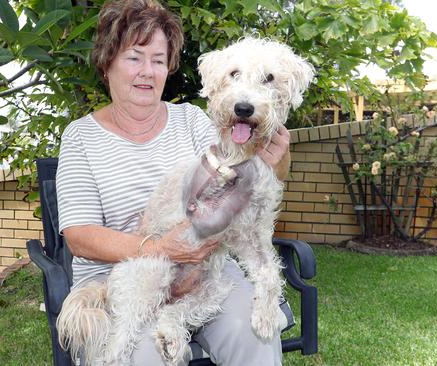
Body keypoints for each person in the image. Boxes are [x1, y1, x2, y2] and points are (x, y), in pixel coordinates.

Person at [56, 0, 291, 364]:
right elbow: (79, 236)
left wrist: (278, 158)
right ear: (107, 64)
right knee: (141, 355)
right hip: (121, 277)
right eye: (134, 57)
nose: (147, 72)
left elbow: (250, 187)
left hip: (208, 271)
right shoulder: (81, 138)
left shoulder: (194, 122)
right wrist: (161, 248)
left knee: (253, 331)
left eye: (158, 60)